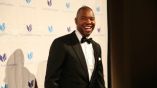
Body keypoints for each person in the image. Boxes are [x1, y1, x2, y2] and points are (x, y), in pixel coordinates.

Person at [44, 6, 106, 88]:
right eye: (84, 18)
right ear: (76, 21)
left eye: (92, 19)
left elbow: (99, 81)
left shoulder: (96, 47)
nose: (89, 22)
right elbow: (51, 81)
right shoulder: (61, 44)